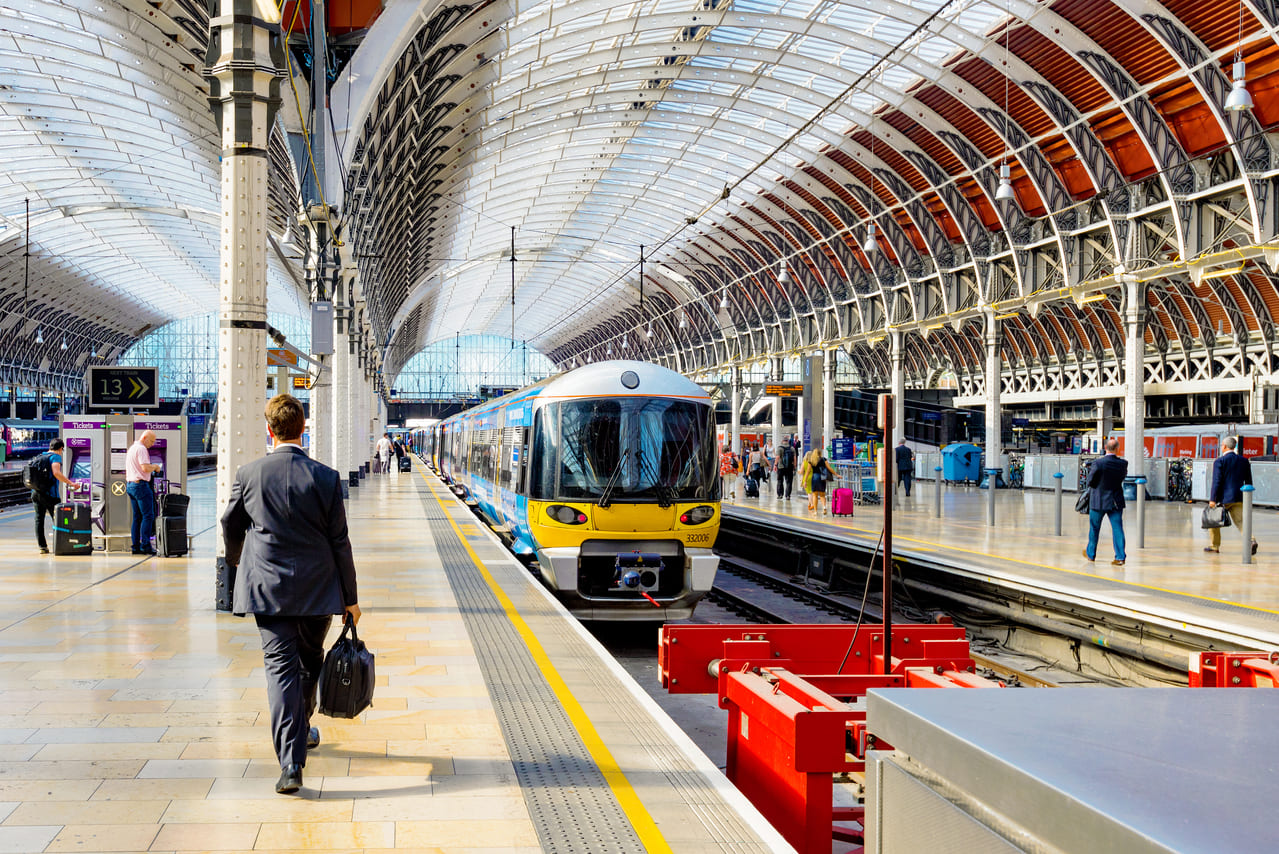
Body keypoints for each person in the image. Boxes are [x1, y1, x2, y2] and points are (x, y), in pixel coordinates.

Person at [221, 394, 360, 796]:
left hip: (268, 590)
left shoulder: (249, 474)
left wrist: (236, 560)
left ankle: (290, 764)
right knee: (310, 662)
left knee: (280, 671)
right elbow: (340, 542)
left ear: (270, 429)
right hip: (319, 591)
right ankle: (303, 726)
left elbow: (230, 523)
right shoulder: (326, 477)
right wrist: (350, 598)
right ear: (304, 428)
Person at [1205, 435, 1257, 555]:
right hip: (1238, 496)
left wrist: (1213, 499)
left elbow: (1216, 481)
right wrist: (1247, 496)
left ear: (1224, 446)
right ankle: (1251, 540)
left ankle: (1214, 546)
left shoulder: (1219, 461)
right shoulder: (1244, 461)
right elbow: (1248, 480)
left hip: (1222, 498)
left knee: (1214, 521)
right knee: (1241, 522)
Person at [1084, 437, 1127, 566]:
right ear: (1117, 449)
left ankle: (1091, 555)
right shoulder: (1123, 463)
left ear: (1105, 448)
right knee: (1117, 529)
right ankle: (1120, 557)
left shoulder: (1098, 463)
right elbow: (1122, 477)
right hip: (1116, 500)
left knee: (1094, 528)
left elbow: (1090, 481)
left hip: (1098, 501)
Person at [31, 438, 75, 554]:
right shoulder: (55, 457)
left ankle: (42, 547)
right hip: (50, 494)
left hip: (36, 492)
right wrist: (71, 483)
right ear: (60, 448)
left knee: (39, 519)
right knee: (58, 519)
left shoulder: (40, 456)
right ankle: (61, 545)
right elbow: (56, 472)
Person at [126, 429, 162, 555]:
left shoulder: (132, 448)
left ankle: (135, 546)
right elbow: (145, 467)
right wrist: (156, 467)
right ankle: (145, 545)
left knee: (137, 517)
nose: (152, 444)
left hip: (130, 485)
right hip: (140, 485)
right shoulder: (141, 449)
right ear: (145, 437)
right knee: (148, 516)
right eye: (151, 441)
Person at [806, 448, 835, 515]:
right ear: (820, 453)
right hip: (822, 477)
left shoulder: (811, 460)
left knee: (815, 495)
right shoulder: (824, 459)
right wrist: (836, 474)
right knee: (822, 495)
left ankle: (815, 511)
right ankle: (824, 507)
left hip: (815, 477)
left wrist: (805, 481)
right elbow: (829, 468)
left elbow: (808, 471)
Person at [775, 435, 796, 499]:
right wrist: (794, 466)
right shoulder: (792, 448)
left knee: (780, 481)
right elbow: (795, 458)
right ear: (788, 441)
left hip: (781, 467)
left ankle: (780, 494)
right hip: (789, 467)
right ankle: (788, 495)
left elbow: (777, 457)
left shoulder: (780, 448)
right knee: (789, 482)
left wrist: (775, 465)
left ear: (782, 441)